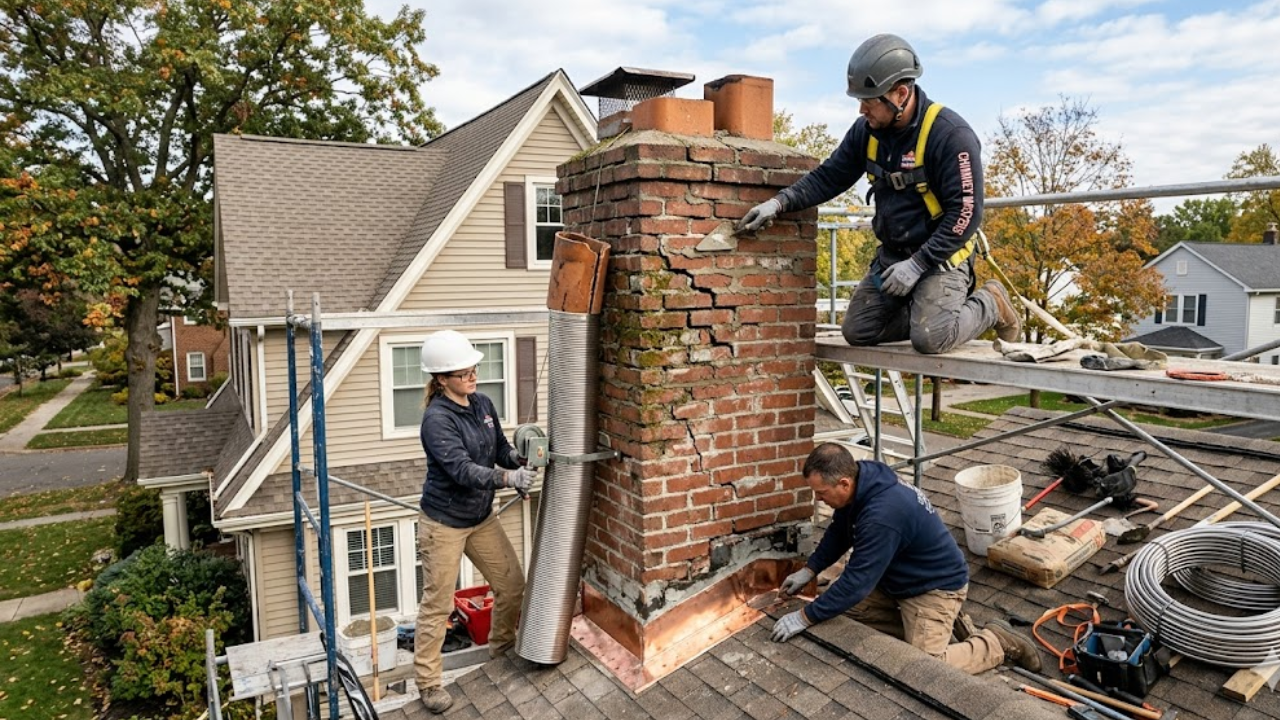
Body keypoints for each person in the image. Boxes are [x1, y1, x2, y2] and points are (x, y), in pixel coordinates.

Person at [738, 33, 1021, 354]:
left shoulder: (950, 136)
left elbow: (967, 214)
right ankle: (922, 313)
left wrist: (917, 266)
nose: (861, 110)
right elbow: (830, 176)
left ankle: (991, 303)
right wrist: (779, 203)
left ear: (901, 94)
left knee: (931, 338)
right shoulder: (867, 132)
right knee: (858, 331)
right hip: (893, 257)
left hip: (939, 257)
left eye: (869, 101)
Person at [769, 442, 1041, 676]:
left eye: (821, 494)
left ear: (844, 483)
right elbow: (840, 532)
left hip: (933, 586)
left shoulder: (882, 515)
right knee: (844, 612)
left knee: (925, 667)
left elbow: (857, 582)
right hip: (896, 579)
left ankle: (996, 642)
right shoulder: (860, 481)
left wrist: (804, 617)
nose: (818, 500)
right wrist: (810, 570)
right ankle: (932, 626)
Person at [413, 329, 535, 714]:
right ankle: (429, 684)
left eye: (471, 368)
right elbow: (463, 470)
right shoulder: (436, 421)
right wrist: (507, 479)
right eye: (461, 371)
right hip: (444, 523)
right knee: (437, 605)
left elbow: (498, 448)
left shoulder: (482, 403)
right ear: (441, 379)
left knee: (512, 584)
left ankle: (500, 652)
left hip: (480, 518)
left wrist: (519, 460)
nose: (471, 374)